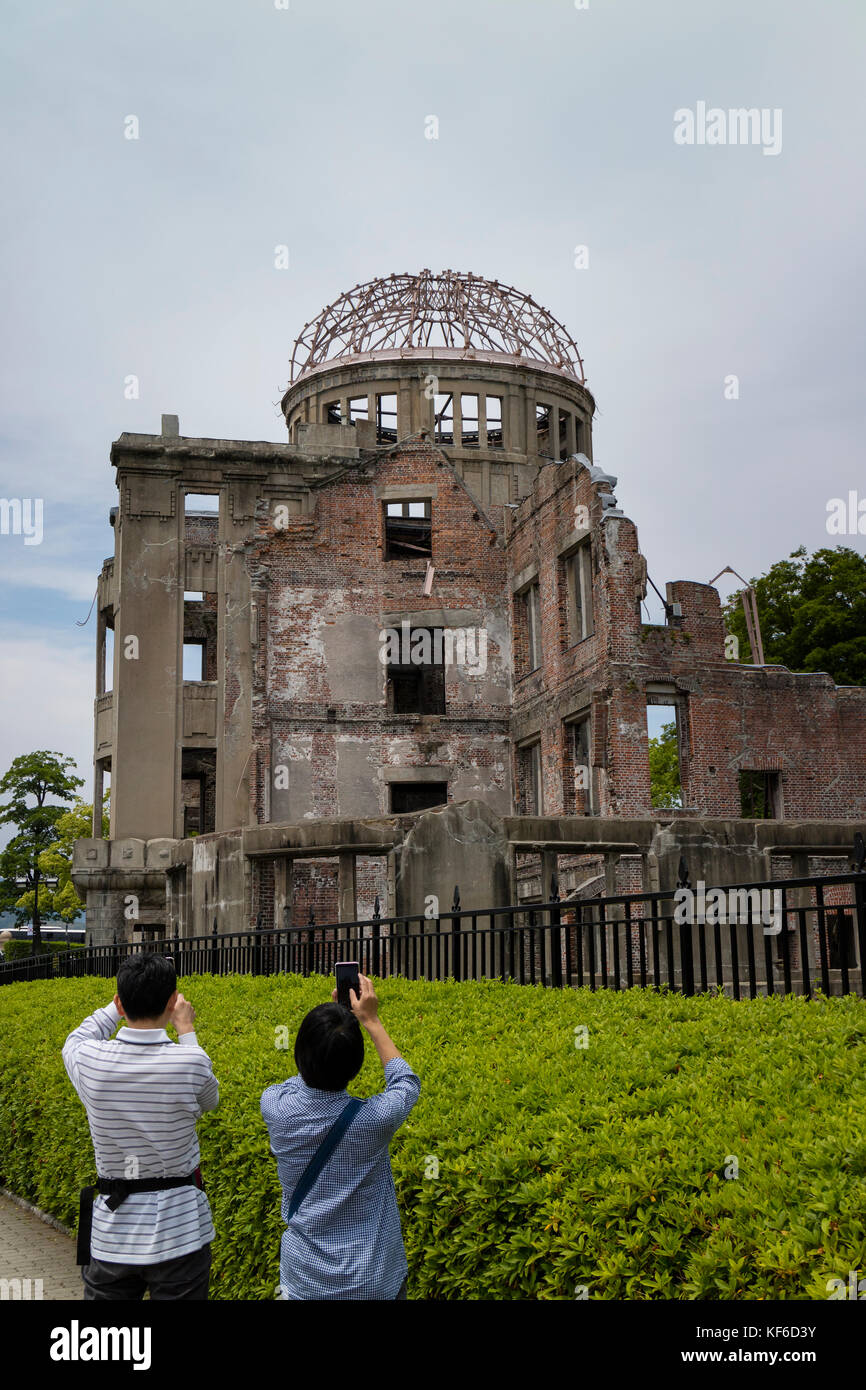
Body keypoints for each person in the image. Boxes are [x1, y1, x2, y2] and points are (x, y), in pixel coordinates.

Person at [62, 953, 219, 1300]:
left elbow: (75, 1039)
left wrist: (115, 1007)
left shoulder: (90, 1060)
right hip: (181, 1231)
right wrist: (187, 1031)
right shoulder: (189, 1060)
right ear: (172, 1002)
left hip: (111, 1232)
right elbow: (210, 1100)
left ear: (120, 1001)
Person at [261, 972, 420, 1300]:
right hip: (373, 1279)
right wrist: (370, 1021)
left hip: (305, 1280)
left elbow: (302, 1077)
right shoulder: (374, 1121)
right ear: (356, 1064)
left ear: (300, 1053)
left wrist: (331, 1033)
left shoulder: (274, 1105)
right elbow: (405, 1081)